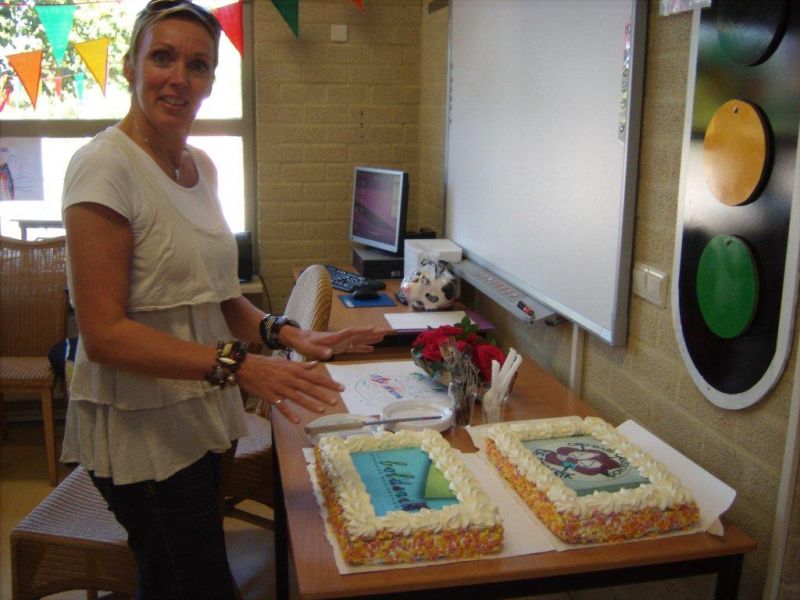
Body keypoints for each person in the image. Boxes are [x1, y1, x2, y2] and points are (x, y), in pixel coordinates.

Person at [61, 2, 386, 598]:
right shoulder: (104, 166)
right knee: (194, 581)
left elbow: (219, 297)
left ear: (212, 80)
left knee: (182, 572)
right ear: (131, 65)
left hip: (202, 411)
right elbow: (104, 335)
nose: (179, 78)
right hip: (144, 424)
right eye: (162, 57)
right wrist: (241, 367)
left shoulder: (201, 167)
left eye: (198, 65)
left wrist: (288, 334)